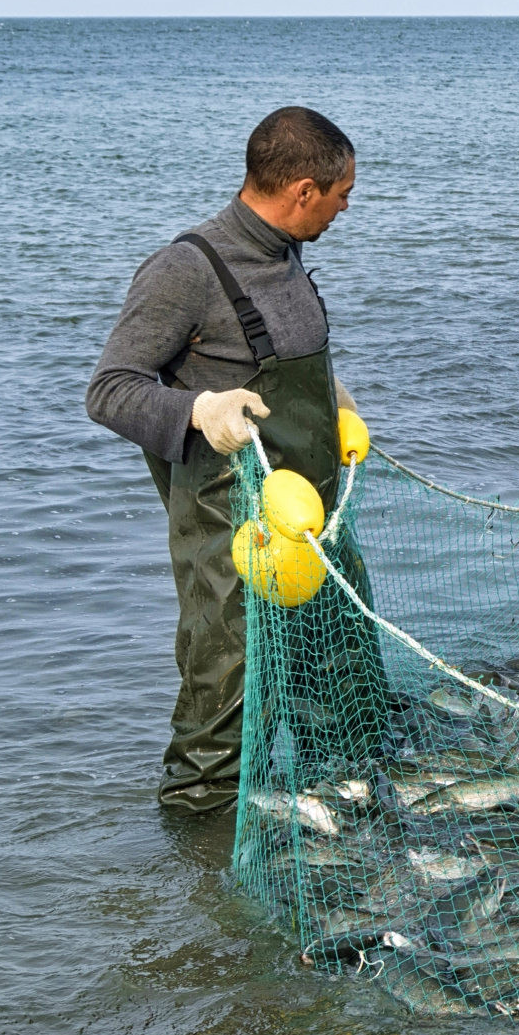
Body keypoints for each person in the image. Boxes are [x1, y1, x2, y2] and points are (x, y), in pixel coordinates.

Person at [87, 107, 385, 813]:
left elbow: (272, 356)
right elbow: (109, 391)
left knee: (343, 686)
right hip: (231, 535)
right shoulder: (185, 269)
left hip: (313, 527)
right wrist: (197, 409)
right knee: (227, 701)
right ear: (304, 189)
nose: (348, 207)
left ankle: (341, 821)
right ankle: (206, 876)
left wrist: (330, 395)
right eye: (343, 193)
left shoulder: (288, 252)